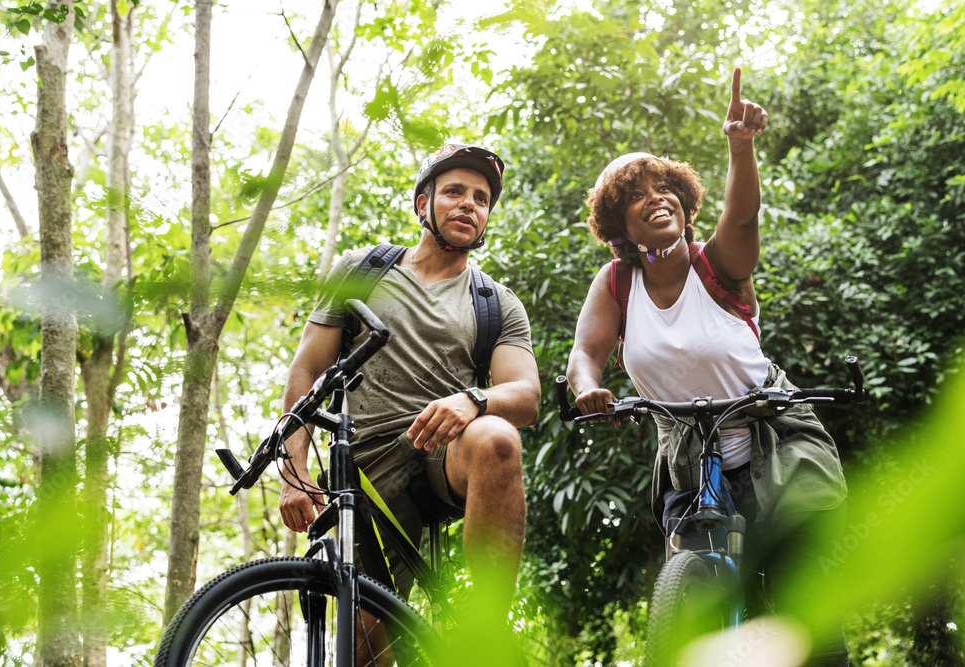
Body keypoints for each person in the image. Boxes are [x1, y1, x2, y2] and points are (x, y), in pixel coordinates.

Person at [565, 68, 849, 666]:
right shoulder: (617, 282)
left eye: (664, 187)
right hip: (690, 454)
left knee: (802, 604)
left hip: (775, 438)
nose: (655, 197)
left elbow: (742, 220)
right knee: (696, 600)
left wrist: (740, 149)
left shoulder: (716, 264)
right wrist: (589, 389)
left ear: (685, 202)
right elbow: (586, 355)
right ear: (620, 224)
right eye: (637, 194)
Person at [279, 143, 541, 662]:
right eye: (455, 192)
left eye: (482, 198)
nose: (469, 204)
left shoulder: (496, 303)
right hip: (364, 467)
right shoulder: (362, 270)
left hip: (444, 454)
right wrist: (294, 469)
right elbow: (306, 372)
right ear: (424, 205)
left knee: (498, 440)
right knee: (365, 650)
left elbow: (526, 395)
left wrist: (473, 399)